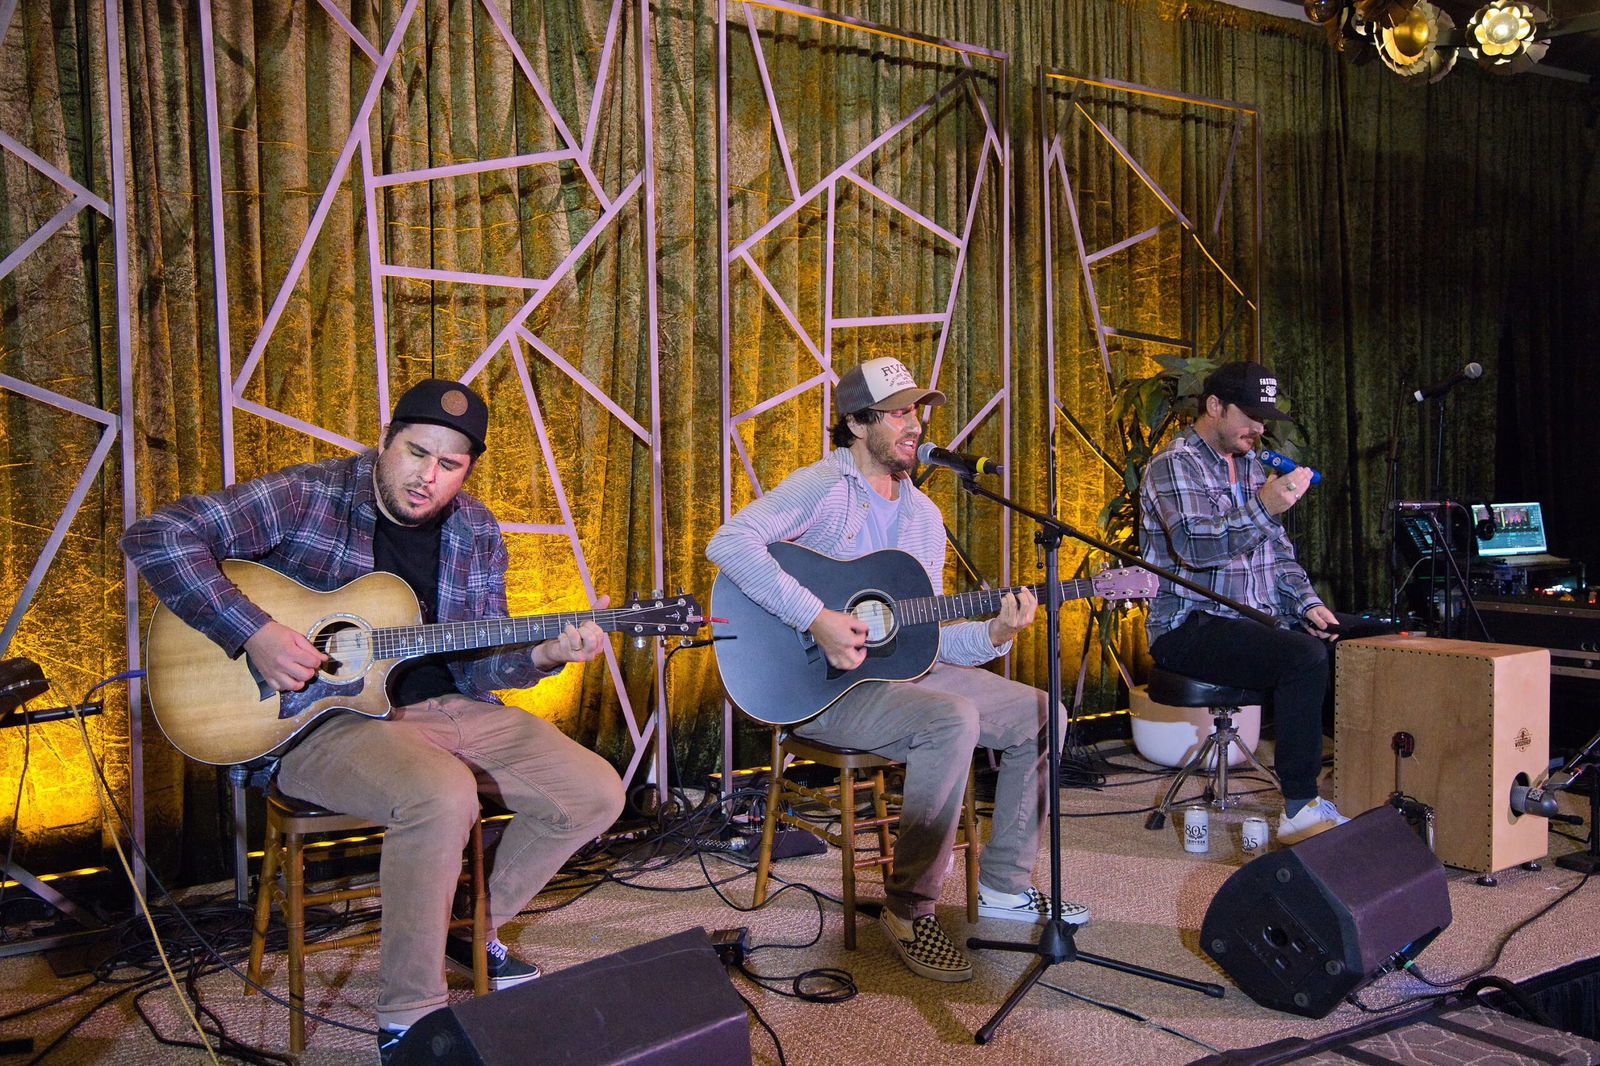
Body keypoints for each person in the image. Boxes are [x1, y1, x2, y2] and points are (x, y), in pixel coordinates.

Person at [123, 379, 625, 1060]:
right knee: (441, 794)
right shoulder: (310, 493)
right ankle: (410, 1022)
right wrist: (255, 632)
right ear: (386, 440)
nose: (427, 477)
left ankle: (466, 929)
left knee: (594, 791)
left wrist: (542, 655)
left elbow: (478, 667)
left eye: (449, 465)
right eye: (416, 452)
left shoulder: (476, 530)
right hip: (320, 720)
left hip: (448, 707)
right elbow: (158, 535)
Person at [706, 357, 1084, 984]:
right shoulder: (823, 486)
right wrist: (816, 618)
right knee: (950, 719)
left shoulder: (923, 516)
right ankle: (909, 909)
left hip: (900, 679)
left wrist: (993, 633)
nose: (916, 424)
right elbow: (729, 543)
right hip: (820, 688)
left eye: (918, 411)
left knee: (1044, 714)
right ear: (857, 424)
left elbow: (921, 640)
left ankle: (1004, 886)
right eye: (899, 412)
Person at [1138, 360, 1358, 845]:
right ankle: (1300, 807)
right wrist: (1266, 506)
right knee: (1304, 657)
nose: (1259, 428)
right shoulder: (1174, 464)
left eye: (1264, 419)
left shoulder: (1254, 465)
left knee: (1364, 635)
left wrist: (1306, 605)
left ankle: (1362, 791)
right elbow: (1196, 546)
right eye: (1251, 416)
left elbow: (1278, 554)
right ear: (1215, 406)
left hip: (1255, 620)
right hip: (1189, 625)